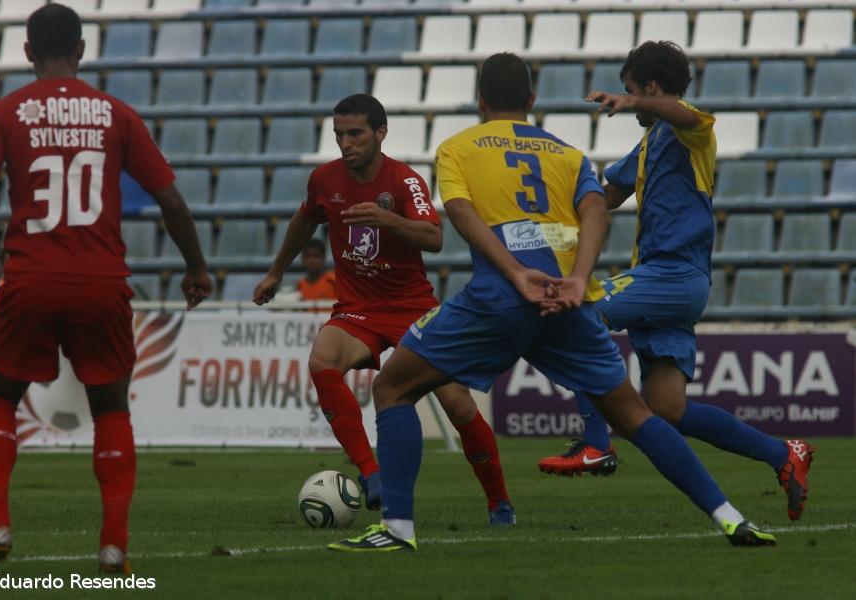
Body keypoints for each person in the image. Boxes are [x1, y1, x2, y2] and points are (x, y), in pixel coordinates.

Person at [329, 53, 776, 553]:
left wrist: (515, 273)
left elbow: (461, 214)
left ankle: (396, 529)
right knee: (635, 415)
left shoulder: (457, 147)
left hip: (499, 297)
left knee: (393, 388)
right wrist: (579, 279)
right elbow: (595, 211)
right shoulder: (567, 153)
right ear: (532, 99)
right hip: (565, 299)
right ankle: (731, 518)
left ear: (480, 100)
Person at [0, 4, 212, 574]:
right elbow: (171, 200)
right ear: (81, 50)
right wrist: (196, 268)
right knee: (111, 407)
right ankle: (113, 544)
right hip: (101, 283)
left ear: (27, 52)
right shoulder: (117, 114)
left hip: (30, 280)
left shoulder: (5, 113)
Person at [537, 41, 814, 523]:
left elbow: (684, 115)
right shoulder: (650, 142)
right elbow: (607, 195)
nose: (629, 105)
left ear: (649, 87)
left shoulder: (691, 129)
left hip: (674, 273)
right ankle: (783, 452)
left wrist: (636, 102)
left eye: (632, 91)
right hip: (666, 281)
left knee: (580, 313)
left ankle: (595, 445)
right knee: (667, 409)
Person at [253, 94, 515, 525]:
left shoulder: (405, 180)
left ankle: (499, 503)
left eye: (355, 134)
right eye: (339, 135)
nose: (346, 143)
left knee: (458, 405)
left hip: (413, 308)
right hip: (358, 308)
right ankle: (371, 473)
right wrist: (275, 272)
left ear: (380, 133)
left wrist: (387, 219)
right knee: (322, 360)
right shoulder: (325, 179)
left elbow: (434, 238)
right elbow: (305, 219)